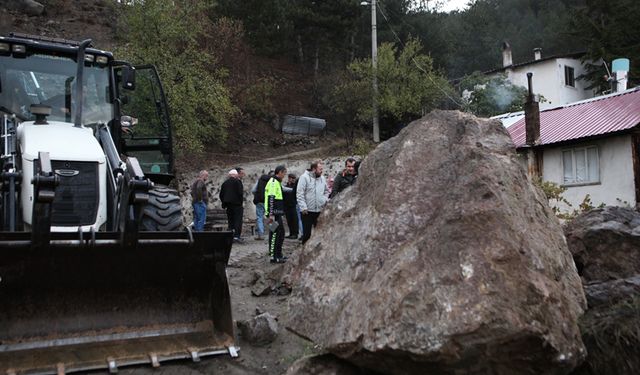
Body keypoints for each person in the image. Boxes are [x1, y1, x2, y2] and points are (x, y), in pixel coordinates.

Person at [296, 160, 329, 244]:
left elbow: (326, 191)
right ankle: (304, 254)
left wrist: (324, 200)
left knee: (320, 234)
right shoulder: (304, 178)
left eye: (322, 169)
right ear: (314, 169)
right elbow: (300, 193)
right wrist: (303, 207)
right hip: (307, 211)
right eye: (320, 169)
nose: (322, 171)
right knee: (307, 235)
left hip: (319, 211)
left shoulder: (322, 178)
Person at [265, 165, 287, 263]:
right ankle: (274, 256)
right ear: (280, 172)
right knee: (276, 234)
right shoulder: (273, 183)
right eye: (284, 173)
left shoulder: (276, 182)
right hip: (274, 214)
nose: (285, 175)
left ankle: (278, 254)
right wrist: (271, 214)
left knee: (280, 233)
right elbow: (271, 198)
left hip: (276, 213)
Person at [219, 169, 244, 242]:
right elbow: (240, 193)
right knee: (238, 220)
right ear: (236, 175)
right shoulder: (238, 182)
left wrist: (224, 203)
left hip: (228, 205)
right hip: (237, 205)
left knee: (230, 221)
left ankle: (230, 235)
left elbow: (221, 194)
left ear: (229, 175)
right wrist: (240, 202)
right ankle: (237, 236)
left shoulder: (225, 183)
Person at [251, 170, 273, 240]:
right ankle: (273, 233)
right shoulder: (273, 181)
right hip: (269, 201)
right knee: (271, 217)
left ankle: (261, 234)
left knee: (260, 217)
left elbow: (253, 190)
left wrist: (257, 195)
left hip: (260, 201)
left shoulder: (260, 180)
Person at [283, 173, 299, 239]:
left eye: (293, 178)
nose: (292, 180)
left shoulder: (295, 186)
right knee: (289, 220)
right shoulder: (286, 185)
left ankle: (295, 234)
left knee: (294, 220)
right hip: (287, 205)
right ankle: (291, 233)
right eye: (291, 178)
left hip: (293, 205)